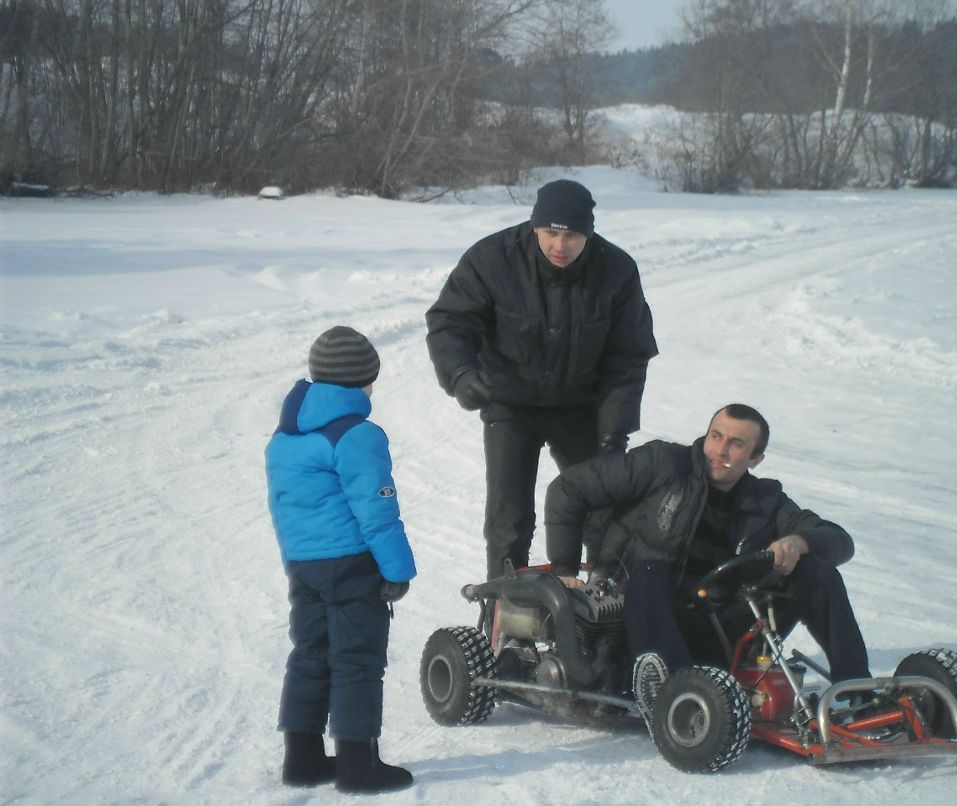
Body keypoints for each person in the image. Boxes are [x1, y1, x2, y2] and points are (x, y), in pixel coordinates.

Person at [544, 403, 869, 718]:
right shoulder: (662, 463)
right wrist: (564, 570)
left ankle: (860, 698)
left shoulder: (765, 501)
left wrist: (799, 542)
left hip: (717, 629)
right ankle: (676, 691)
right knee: (650, 566)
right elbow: (569, 489)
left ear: (755, 459)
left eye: (736, 444)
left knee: (814, 569)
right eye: (716, 436)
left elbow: (839, 540)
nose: (720, 450)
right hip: (637, 620)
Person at [426, 179, 659, 580]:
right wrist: (461, 373)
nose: (560, 246)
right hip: (511, 406)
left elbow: (629, 357)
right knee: (508, 518)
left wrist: (612, 435)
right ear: (535, 226)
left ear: (588, 232)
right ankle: (500, 613)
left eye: (572, 235)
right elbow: (450, 321)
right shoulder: (493, 259)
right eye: (551, 233)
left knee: (603, 508)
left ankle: (607, 602)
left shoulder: (616, 270)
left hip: (580, 409)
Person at [265, 326, 417, 794]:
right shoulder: (357, 435)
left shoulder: (285, 437)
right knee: (357, 659)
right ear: (362, 380)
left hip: (304, 564)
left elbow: (286, 505)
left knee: (311, 654)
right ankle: (357, 766)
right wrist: (397, 571)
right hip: (352, 564)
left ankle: (303, 759)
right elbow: (376, 509)